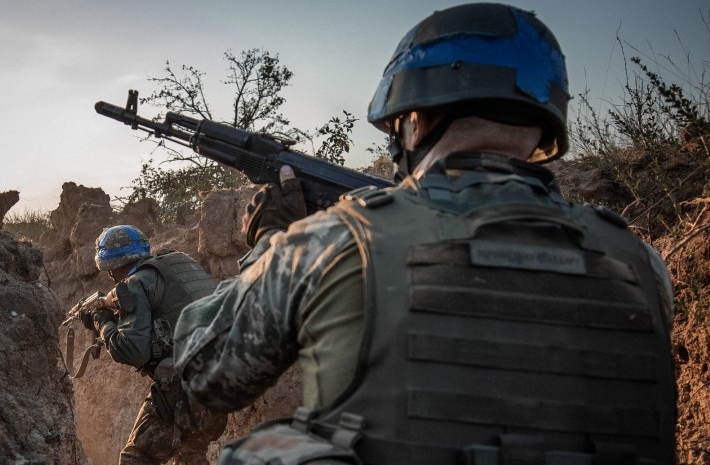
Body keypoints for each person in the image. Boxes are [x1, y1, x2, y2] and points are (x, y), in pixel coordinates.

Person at [172, 3, 676, 465]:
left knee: (267, 453)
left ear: (411, 119)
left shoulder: (332, 243)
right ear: (546, 121)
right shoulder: (641, 263)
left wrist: (270, 243)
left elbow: (203, 371)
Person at [76, 225, 227, 465]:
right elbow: (166, 316)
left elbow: (133, 351)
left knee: (136, 460)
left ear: (112, 267)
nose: (111, 277)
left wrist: (101, 321)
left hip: (186, 391)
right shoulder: (177, 263)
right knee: (189, 455)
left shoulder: (133, 285)